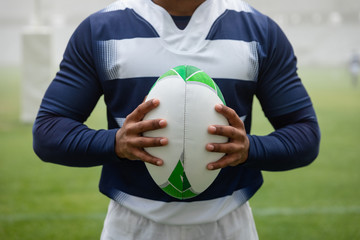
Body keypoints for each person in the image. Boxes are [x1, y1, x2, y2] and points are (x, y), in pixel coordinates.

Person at [32, 0, 321, 239]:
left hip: (228, 224)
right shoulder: (100, 30)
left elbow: (304, 134)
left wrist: (250, 150)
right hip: (131, 225)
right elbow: (49, 131)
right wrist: (116, 143)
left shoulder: (259, 31)